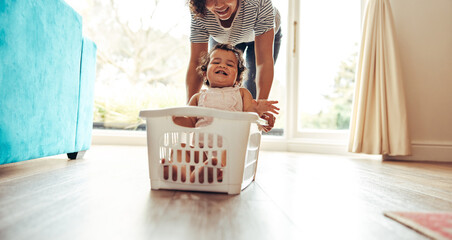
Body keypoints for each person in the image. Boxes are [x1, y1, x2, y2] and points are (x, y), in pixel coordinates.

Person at [166, 43, 279, 183]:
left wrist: (259, 111)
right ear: (205, 73)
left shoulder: (242, 93)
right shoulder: (198, 97)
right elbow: (189, 122)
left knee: (230, 153)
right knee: (180, 148)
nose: (223, 66)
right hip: (201, 153)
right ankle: (184, 174)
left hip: (228, 151)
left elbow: (250, 116)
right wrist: (173, 119)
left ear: (238, 79)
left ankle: (207, 173)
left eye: (230, 65)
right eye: (216, 62)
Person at [186, 0, 282, 130]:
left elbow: (264, 62)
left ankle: (241, 140)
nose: (219, 4)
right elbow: (196, 62)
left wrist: (260, 109)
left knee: (249, 98)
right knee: (217, 86)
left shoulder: (259, 3)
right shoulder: (200, 12)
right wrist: (190, 113)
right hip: (224, 37)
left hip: (260, 31)